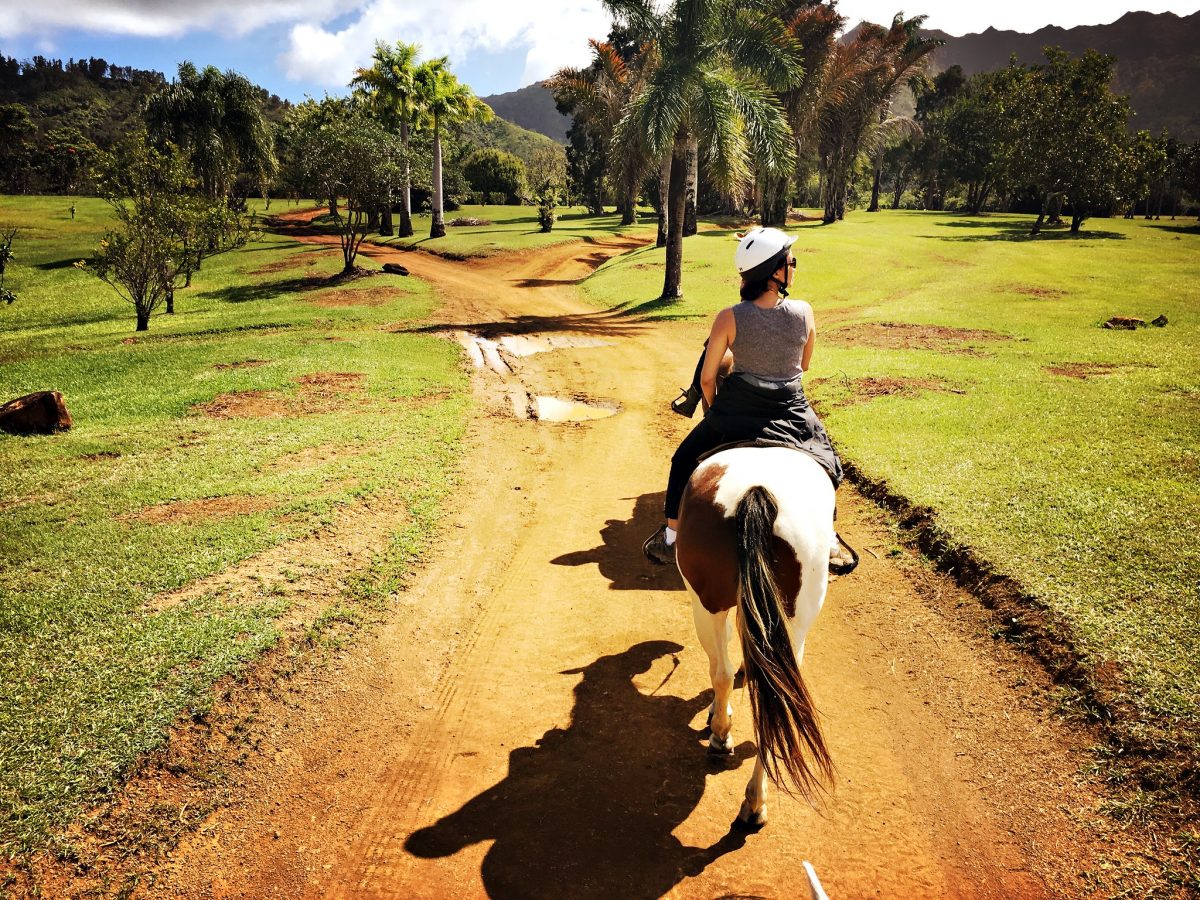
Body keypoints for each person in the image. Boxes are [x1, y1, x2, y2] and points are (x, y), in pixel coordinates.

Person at [643, 226, 856, 574]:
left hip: (736, 410)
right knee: (829, 462)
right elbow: (804, 365)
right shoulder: (804, 312)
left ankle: (670, 536)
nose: (794, 266)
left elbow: (707, 378)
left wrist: (713, 411)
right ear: (774, 270)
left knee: (682, 459)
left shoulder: (729, 316)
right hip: (791, 408)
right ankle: (830, 538)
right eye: (791, 261)